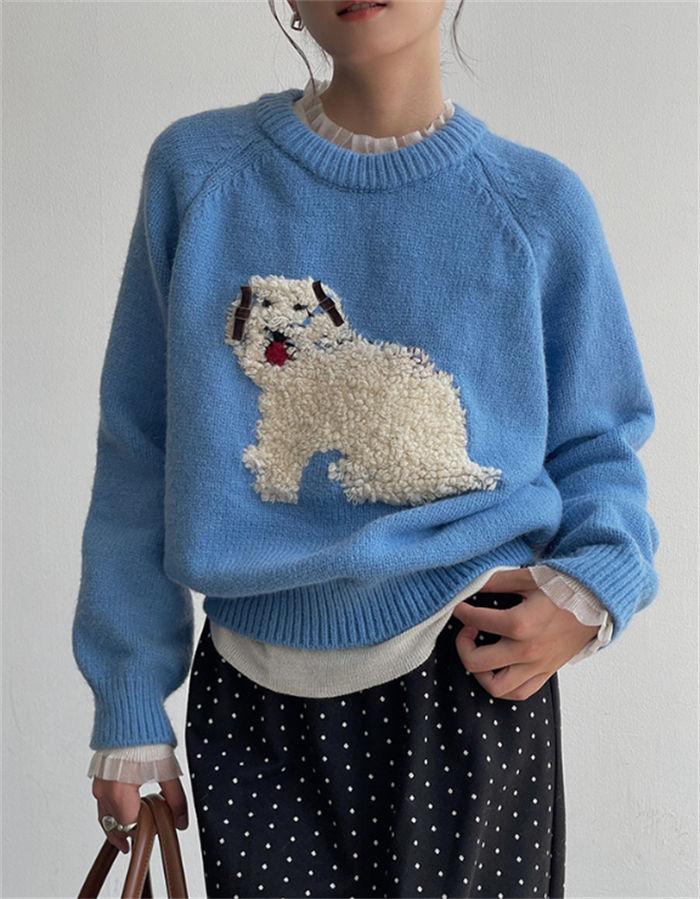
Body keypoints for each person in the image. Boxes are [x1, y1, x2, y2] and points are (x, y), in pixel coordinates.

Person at [72, 1, 658, 897]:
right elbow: (139, 446)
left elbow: (600, 441)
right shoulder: (198, 173)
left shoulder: (537, 202)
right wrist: (128, 695)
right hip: (252, 696)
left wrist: (595, 587)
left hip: (470, 674)